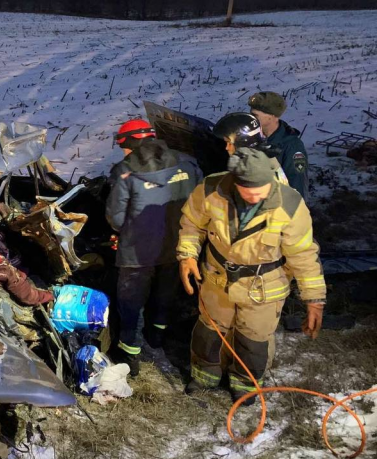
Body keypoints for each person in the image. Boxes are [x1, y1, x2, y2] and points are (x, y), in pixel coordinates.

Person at [177, 148, 325, 405]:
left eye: (263, 190)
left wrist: (314, 300)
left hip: (264, 288)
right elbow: (192, 224)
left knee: (253, 339)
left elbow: (303, 254)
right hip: (217, 279)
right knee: (210, 332)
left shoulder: (289, 204)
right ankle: (204, 376)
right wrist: (187, 255)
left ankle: (245, 384)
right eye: (250, 192)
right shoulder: (211, 189)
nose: (258, 197)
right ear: (235, 182)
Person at [106, 119, 202, 376]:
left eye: (123, 147)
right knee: (164, 296)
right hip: (177, 246)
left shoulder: (125, 171)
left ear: (130, 144)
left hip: (136, 253)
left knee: (130, 303)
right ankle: (156, 339)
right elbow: (199, 202)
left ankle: (130, 354)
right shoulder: (187, 162)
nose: (124, 153)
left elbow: (115, 218)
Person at [248, 92, 309, 199]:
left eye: (255, 115)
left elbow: (297, 183)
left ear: (272, 116)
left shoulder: (292, 146)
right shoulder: (251, 138)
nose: (251, 119)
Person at [213, 112, 289, 187]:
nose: (226, 148)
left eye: (229, 143)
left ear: (242, 142)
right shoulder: (258, 160)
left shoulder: (256, 172)